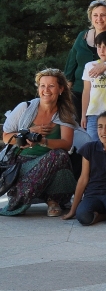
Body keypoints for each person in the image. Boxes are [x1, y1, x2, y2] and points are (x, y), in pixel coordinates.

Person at [1, 69, 78, 217]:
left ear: (61, 89)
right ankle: (20, 198)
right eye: (42, 86)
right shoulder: (25, 107)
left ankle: (51, 199)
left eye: (51, 86)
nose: (46, 90)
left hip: (51, 162)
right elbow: (6, 137)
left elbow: (67, 144)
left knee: (59, 156)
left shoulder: (65, 113)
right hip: (22, 163)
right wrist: (27, 131)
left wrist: (43, 141)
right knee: (57, 157)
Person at [64, 0, 106, 118]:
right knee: (80, 129)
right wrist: (65, 91)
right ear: (91, 17)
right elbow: (71, 63)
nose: (99, 18)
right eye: (95, 15)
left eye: (103, 15)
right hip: (79, 91)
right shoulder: (82, 36)